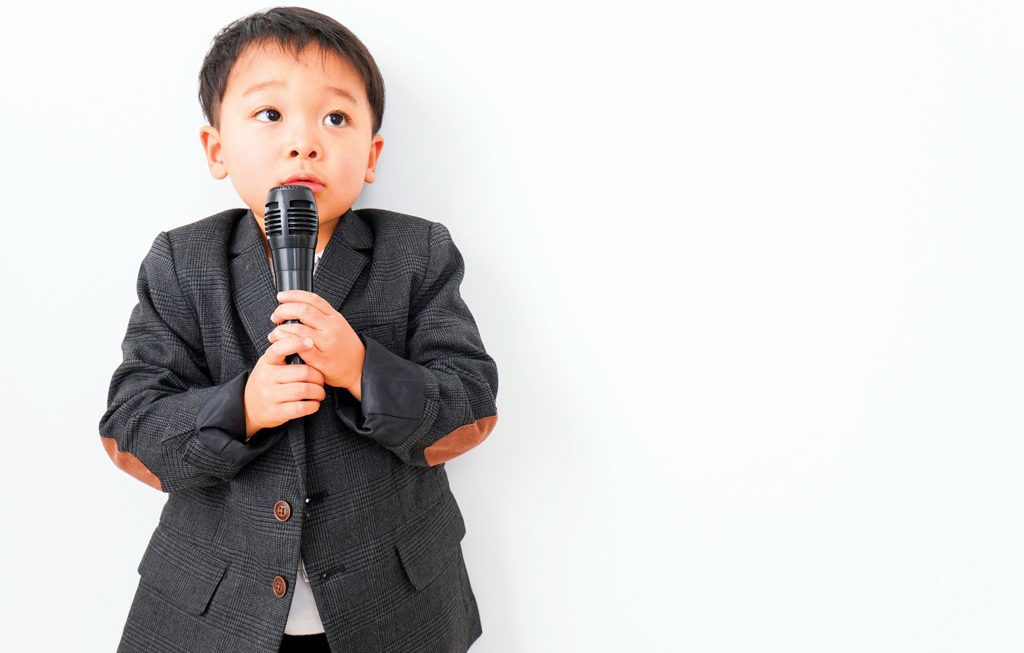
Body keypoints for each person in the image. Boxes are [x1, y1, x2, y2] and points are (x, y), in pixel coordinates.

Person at [98, 7, 499, 653]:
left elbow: (469, 408)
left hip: (391, 609)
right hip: (215, 612)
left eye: (335, 117)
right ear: (216, 149)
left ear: (371, 155)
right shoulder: (182, 260)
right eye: (270, 114)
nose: (304, 141)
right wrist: (242, 407)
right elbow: (131, 428)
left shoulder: (419, 252)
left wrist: (364, 370)